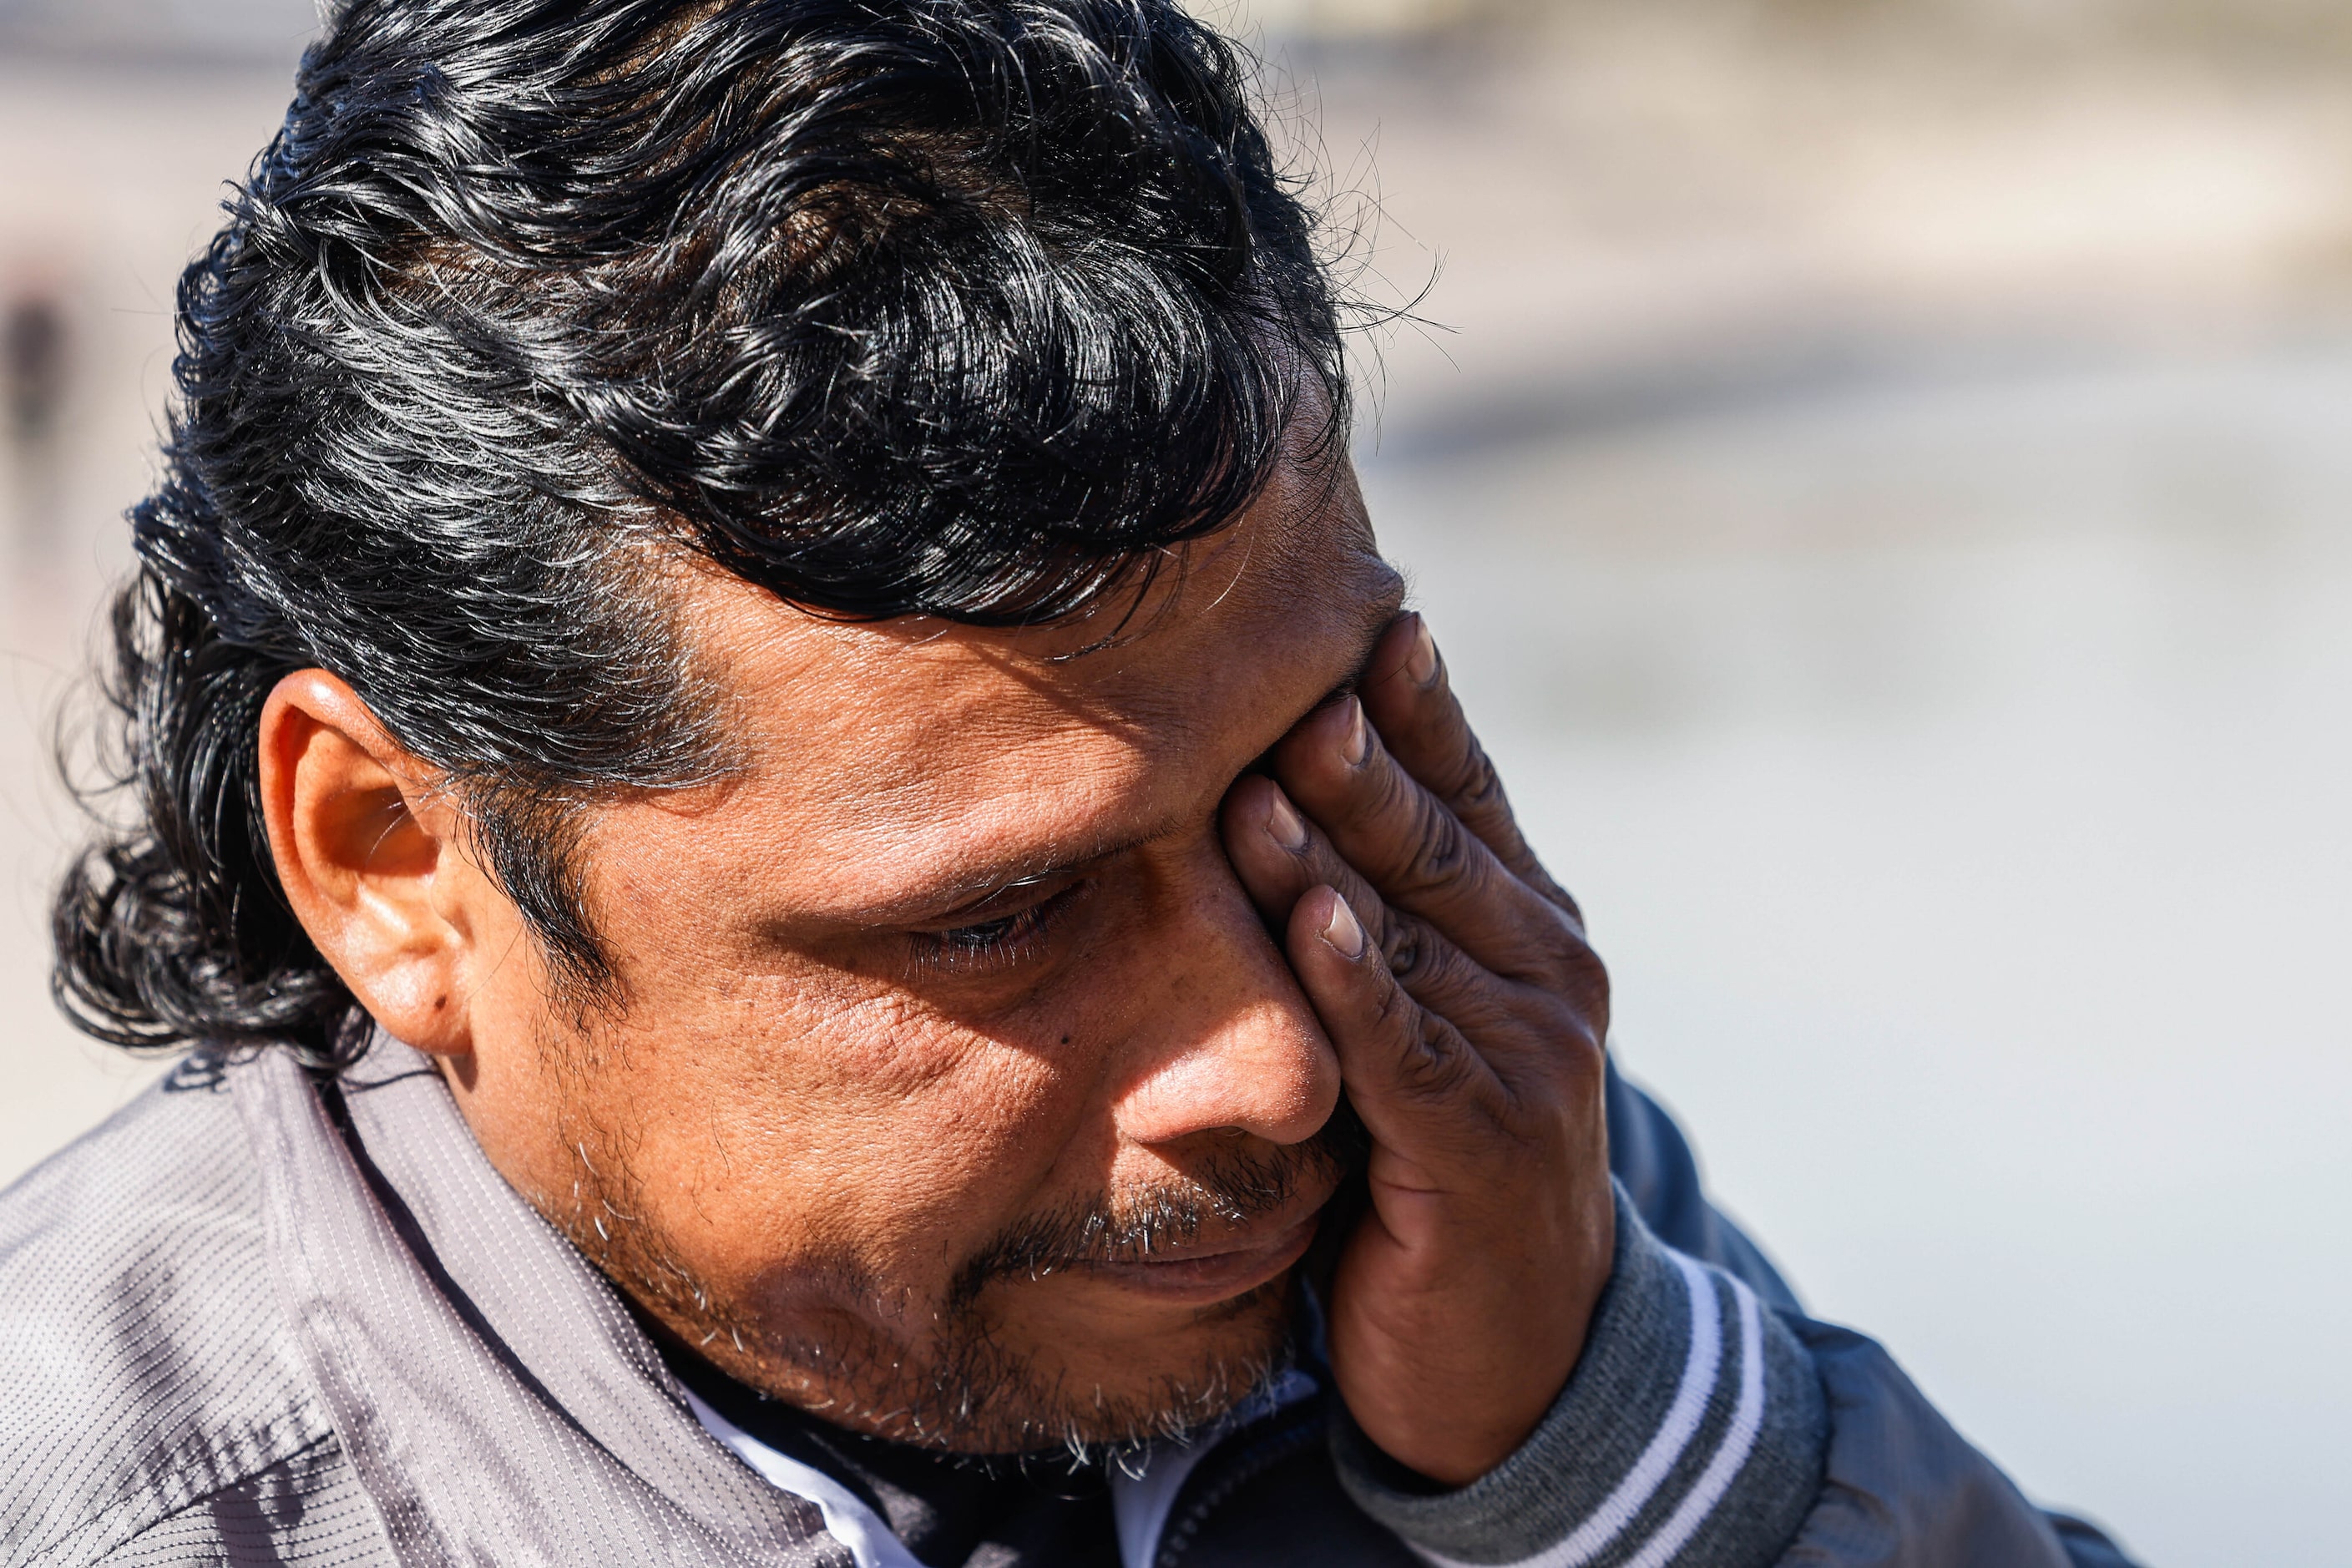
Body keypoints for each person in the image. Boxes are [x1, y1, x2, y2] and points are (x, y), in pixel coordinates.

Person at [1, 3, 2137, 1564]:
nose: (1269, 1067)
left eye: (1308, 778)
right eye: (998, 918)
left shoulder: (1474, 1185)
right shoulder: (111, 1501)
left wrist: (1609, 1434)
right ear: (395, 866)